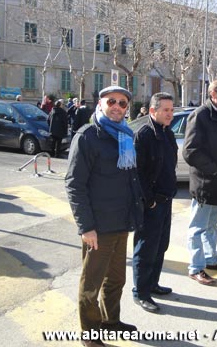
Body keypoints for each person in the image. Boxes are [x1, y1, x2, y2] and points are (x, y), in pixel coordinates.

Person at [65, 85, 142, 347]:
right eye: (112, 102)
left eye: (122, 103)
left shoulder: (125, 135)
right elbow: (75, 184)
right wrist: (86, 227)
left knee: (116, 279)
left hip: (121, 222)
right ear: (101, 104)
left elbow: (129, 178)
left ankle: (111, 321)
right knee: (91, 284)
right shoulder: (87, 136)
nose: (117, 107)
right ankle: (90, 334)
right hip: (98, 227)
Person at [182, 80, 217, 286]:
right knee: (198, 227)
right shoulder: (201, 115)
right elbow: (190, 150)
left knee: (212, 225)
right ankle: (196, 267)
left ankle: (211, 258)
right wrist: (213, 169)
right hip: (206, 183)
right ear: (213, 94)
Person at [132, 92, 178, 313]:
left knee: (161, 245)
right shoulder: (145, 135)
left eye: (171, 110)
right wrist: (148, 200)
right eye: (166, 110)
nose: (170, 114)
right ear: (153, 111)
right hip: (151, 203)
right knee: (146, 248)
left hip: (166, 200)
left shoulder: (167, 133)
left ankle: (153, 283)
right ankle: (140, 292)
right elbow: (138, 172)